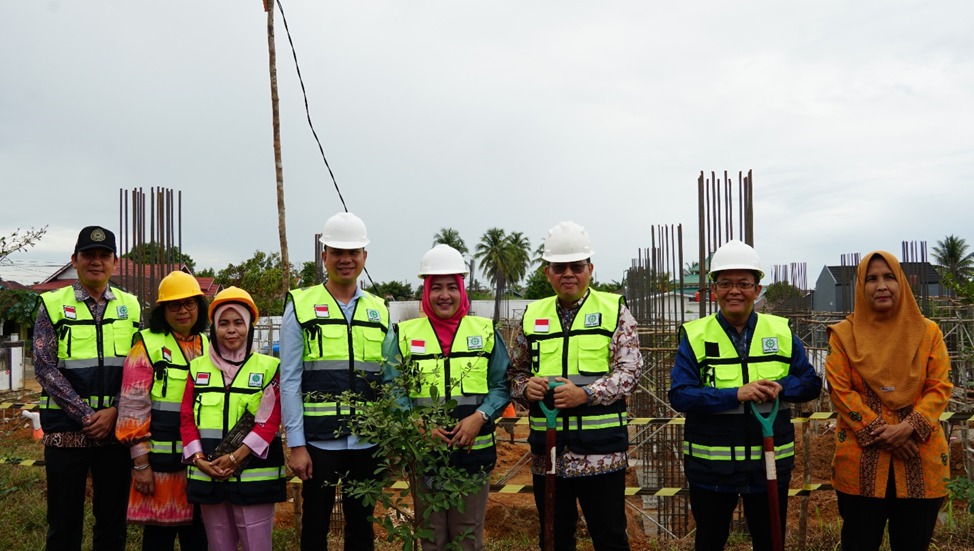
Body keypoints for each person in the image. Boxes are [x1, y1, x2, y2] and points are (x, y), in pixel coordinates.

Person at [668, 240, 821, 551]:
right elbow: (680, 395)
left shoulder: (780, 332)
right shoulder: (695, 336)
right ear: (714, 290)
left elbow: (810, 382)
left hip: (769, 464)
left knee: (770, 540)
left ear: (757, 289)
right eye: (725, 283)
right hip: (711, 467)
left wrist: (783, 387)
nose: (734, 291)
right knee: (710, 541)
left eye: (743, 283)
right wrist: (735, 394)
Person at [508, 221, 643, 551]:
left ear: (590, 269)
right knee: (553, 538)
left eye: (576, 266)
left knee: (609, 536)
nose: (568, 273)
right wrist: (526, 389)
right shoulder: (531, 315)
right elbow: (514, 374)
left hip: (602, 453)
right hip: (549, 453)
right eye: (559, 267)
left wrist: (586, 394)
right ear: (547, 272)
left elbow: (630, 371)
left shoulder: (614, 311)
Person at [384, 244, 511, 551]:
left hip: (474, 457)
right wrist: (416, 423)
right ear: (425, 291)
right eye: (436, 287)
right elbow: (391, 388)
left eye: (452, 287)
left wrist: (480, 417)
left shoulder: (485, 332)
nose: (444, 295)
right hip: (425, 456)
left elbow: (502, 384)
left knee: (467, 534)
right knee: (431, 534)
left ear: (462, 290)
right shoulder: (401, 334)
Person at [826, 251, 951, 551]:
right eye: (871, 279)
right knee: (858, 542)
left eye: (888, 277)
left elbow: (939, 386)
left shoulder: (927, 333)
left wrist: (907, 428)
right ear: (860, 286)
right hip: (860, 463)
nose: (881, 286)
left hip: (919, 458)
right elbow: (840, 391)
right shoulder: (844, 336)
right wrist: (888, 434)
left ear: (902, 283)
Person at [280, 212, 390, 551]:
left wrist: (388, 437)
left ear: (364, 258)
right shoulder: (301, 304)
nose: (346, 259)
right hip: (317, 444)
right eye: (338, 252)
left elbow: (389, 379)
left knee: (362, 532)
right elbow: (289, 379)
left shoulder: (380, 309)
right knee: (314, 530)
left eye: (354, 252)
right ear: (324, 255)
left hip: (367, 443)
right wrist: (296, 444)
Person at [33, 225, 141, 551]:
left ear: (115, 262)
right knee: (63, 526)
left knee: (112, 525)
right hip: (66, 433)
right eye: (88, 255)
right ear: (75, 260)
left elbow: (140, 370)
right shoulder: (51, 305)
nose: (96, 261)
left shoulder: (133, 307)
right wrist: (86, 416)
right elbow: (44, 366)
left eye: (103, 255)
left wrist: (113, 412)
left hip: (114, 434)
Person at [179, 287, 285, 551]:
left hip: (254, 479)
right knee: (218, 545)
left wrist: (236, 456)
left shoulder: (269, 368)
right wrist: (199, 460)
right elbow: (186, 419)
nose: (231, 330)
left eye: (238, 322)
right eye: (223, 323)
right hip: (209, 475)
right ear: (213, 328)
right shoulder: (197, 368)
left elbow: (270, 421)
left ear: (249, 326)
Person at [116, 271, 209, 550]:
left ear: (199, 307)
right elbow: (133, 408)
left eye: (190, 303)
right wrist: (141, 464)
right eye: (174, 305)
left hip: (200, 465)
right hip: (160, 468)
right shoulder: (146, 345)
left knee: (199, 539)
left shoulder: (208, 345)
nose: (183, 311)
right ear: (163, 310)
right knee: (158, 540)